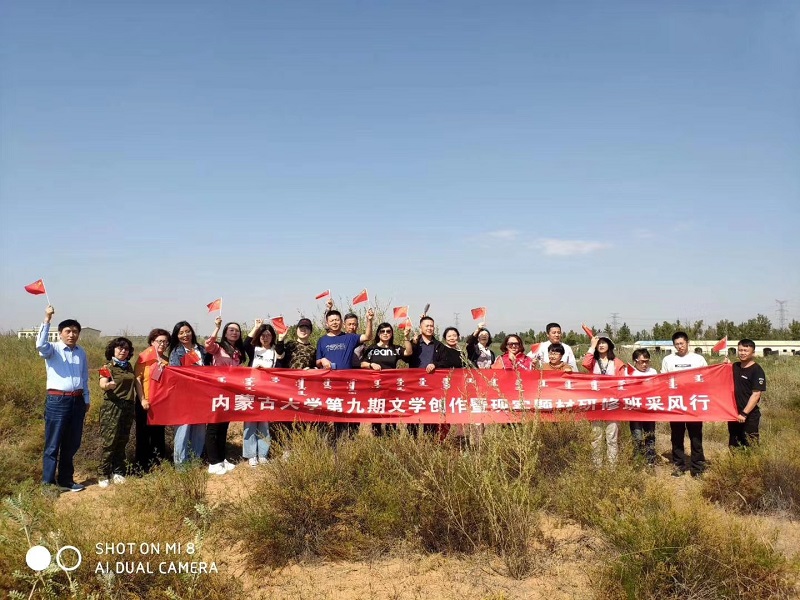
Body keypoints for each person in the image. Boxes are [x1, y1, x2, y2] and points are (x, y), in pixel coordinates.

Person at [36, 305, 90, 492]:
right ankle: (48, 484)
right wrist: (47, 319)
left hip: (77, 401)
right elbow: (40, 346)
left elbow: (84, 377)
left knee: (72, 443)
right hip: (57, 401)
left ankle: (66, 480)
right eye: (68, 331)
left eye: (75, 331)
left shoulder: (81, 352)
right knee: (53, 444)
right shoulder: (52, 349)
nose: (71, 334)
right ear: (60, 333)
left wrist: (86, 398)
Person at [316, 308, 374, 439]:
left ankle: (348, 444)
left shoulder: (349, 337)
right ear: (327, 323)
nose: (334, 322)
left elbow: (368, 336)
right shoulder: (322, 340)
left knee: (348, 414)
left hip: (346, 385)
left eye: (337, 320)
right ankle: (329, 443)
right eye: (332, 320)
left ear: (341, 322)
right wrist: (322, 360)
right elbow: (317, 361)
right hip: (329, 385)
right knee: (329, 415)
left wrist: (369, 320)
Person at [661, 331, 708, 477]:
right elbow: (663, 379)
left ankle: (697, 468)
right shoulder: (668, 360)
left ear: (688, 342)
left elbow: (707, 377)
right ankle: (679, 465)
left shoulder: (698, 359)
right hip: (676, 404)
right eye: (676, 344)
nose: (679, 346)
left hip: (694, 403)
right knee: (676, 436)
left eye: (682, 343)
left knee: (695, 436)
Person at [98, 337, 143, 488]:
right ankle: (103, 473)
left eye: (126, 349)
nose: (123, 351)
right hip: (112, 406)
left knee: (122, 440)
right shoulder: (108, 366)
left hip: (128, 406)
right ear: (113, 349)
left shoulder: (128, 366)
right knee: (109, 441)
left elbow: (136, 383)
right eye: (119, 348)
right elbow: (102, 382)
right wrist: (107, 385)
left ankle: (118, 471)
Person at [204, 317, 246, 475]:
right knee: (213, 426)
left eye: (237, 330)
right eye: (231, 330)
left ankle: (221, 458)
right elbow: (208, 345)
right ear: (225, 333)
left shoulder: (237, 351)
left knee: (224, 426)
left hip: (230, 392)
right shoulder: (218, 347)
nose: (235, 333)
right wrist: (216, 327)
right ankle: (213, 462)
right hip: (217, 390)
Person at [243, 322, 285, 464]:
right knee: (250, 423)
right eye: (262, 335)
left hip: (268, 391)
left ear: (272, 337)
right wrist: (255, 327)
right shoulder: (254, 349)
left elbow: (281, 358)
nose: (265, 338)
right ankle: (250, 455)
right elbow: (245, 344)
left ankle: (263, 453)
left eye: (268, 335)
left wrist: (281, 338)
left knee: (265, 423)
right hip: (252, 390)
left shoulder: (274, 351)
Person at [361, 322, 413, 435]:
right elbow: (363, 363)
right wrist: (371, 365)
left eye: (388, 331)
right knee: (376, 416)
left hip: (391, 388)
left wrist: (406, 337)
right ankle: (377, 439)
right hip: (376, 388)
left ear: (391, 333)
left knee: (391, 416)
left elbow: (408, 352)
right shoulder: (372, 348)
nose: (385, 333)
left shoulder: (395, 348)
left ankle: (391, 438)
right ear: (378, 333)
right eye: (383, 331)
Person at [582, 335, 625, 467]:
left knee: (611, 437)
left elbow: (623, 382)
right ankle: (597, 467)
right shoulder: (593, 361)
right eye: (598, 343)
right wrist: (592, 346)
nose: (601, 345)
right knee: (596, 437)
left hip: (612, 405)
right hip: (596, 405)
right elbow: (585, 363)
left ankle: (612, 467)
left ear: (609, 346)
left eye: (604, 343)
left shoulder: (617, 362)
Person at [168, 321, 207, 466]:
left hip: (201, 395)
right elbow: (174, 375)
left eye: (187, 331)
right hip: (183, 396)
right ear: (177, 336)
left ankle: (195, 460)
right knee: (183, 429)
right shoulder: (176, 352)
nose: (185, 335)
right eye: (181, 333)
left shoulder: (201, 349)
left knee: (199, 428)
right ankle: (181, 464)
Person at [407, 315, 449, 436]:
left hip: (432, 385)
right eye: (427, 326)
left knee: (429, 414)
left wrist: (435, 364)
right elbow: (406, 358)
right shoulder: (414, 343)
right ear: (420, 328)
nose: (430, 328)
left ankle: (429, 440)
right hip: (415, 384)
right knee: (414, 413)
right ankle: (412, 440)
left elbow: (444, 362)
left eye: (431, 326)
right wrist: (413, 343)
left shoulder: (439, 345)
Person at [134, 328, 169, 472]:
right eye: (159, 341)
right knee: (143, 435)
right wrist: (142, 399)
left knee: (158, 435)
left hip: (160, 404)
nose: (162, 344)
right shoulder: (144, 358)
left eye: (165, 341)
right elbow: (137, 379)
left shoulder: (166, 360)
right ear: (152, 342)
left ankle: (158, 464)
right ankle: (141, 467)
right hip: (145, 402)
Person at [727, 339, 766, 448]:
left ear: (753, 352)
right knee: (734, 445)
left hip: (749, 416)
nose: (742, 353)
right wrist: (725, 366)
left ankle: (752, 465)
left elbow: (756, 394)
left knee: (751, 445)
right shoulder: (735, 366)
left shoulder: (757, 370)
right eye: (740, 350)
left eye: (746, 350)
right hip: (734, 414)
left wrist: (744, 413)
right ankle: (735, 465)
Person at [627, 348, 658, 466]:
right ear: (635, 361)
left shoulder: (653, 372)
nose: (644, 364)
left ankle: (650, 462)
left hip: (649, 410)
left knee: (650, 436)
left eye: (647, 361)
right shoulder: (630, 373)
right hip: (635, 410)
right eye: (641, 362)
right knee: (637, 437)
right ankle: (638, 461)